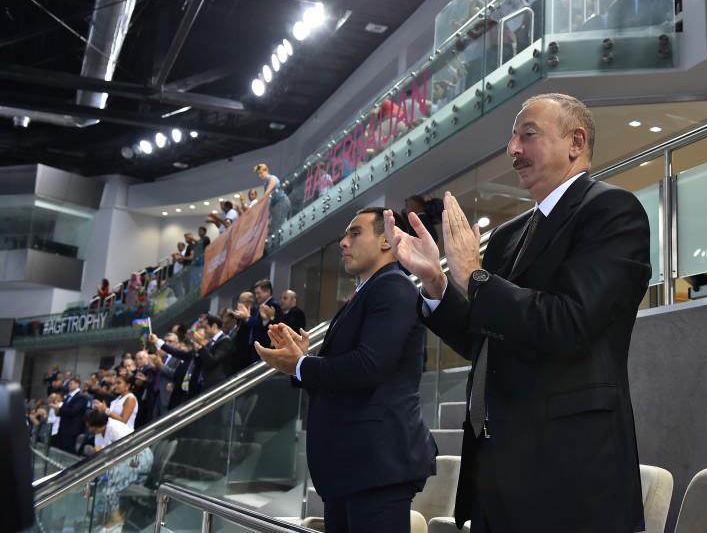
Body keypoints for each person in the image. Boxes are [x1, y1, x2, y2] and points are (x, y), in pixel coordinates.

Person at [385, 93, 651, 532]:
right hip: (495, 476)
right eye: (512, 138)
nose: (513, 150)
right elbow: (483, 339)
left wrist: (472, 275)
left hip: (568, 479)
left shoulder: (612, 211)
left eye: (528, 135)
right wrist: (435, 281)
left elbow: (568, 322)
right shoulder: (510, 235)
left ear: (575, 141)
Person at [255, 207, 437, 533]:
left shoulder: (393, 287)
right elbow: (343, 378)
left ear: (385, 241)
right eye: (344, 235)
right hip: (353, 465)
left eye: (355, 233)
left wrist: (299, 365)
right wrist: (302, 358)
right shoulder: (364, 294)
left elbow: (368, 367)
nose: (342, 242)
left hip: (378, 463)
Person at [85, 409, 153, 531]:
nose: (90, 430)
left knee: (111, 484)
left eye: (91, 426)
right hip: (122, 461)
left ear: (98, 424)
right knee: (102, 481)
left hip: (138, 458)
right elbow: (100, 452)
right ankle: (102, 516)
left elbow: (132, 448)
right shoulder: (98, 433)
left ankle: (116, 518)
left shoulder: (115, 428)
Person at [191, 314, 235, 391]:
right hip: (206, 383)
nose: (204, 331)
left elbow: (212, 361)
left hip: (217, 384)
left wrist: (201, 346)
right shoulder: (210, 342)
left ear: (214, 326)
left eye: (205, 328)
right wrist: (198, 348)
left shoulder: (225, 341)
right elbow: (199, 363)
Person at [256, 163, 291, 234]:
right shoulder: (265, 184)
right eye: (258, 174)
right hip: (274, 207)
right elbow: (267, 199)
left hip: (281, 203)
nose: (259, 175)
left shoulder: (273, 178)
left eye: (261, 173)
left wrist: (259, 202)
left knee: (278, 227)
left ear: (266, 170)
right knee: (276, 226)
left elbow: (267, 193)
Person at [55, 377, 88, 453]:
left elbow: (74, 411)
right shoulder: (68, 396)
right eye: (68, 384)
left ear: (77, 384)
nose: (69, 385)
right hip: (63, 426)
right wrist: (57, 410)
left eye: (71, 383)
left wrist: (60, 408)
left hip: (72, 428)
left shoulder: (81, 397)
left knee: (68, 449)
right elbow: (63, 410)